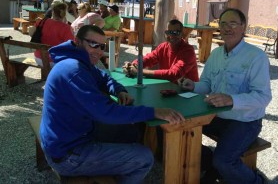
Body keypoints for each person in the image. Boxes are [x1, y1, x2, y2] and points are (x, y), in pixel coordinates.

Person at [40, 25, 185, 183]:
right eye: (93, 44)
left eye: (101, 46)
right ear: (78, 42)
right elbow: (106, 113)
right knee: (144, 158)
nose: (99, 51)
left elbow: (103, 76)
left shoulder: (77, 61)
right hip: (67, 154)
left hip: (67, 137)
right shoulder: (74, 71)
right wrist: (154, 112)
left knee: (131, 130)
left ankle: (116, 168)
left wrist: (118, 90)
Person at [178, 8, 272, 184]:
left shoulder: (256, 57)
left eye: (233, 23)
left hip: (245, 122)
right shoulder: (216, 54)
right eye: (223, 24)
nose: (228, 28)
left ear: (243, 27)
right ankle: (212, 165)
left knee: (224, 161)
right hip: (216, 115)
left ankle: (257, 181)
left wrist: (232, 100)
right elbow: (206, 84)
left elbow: (263, 97)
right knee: (181, 130)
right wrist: (192, 85)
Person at [123, 19, 199, 84]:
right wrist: (134, 65)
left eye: (176, 32)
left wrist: (140, 72)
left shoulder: (188, 51)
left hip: (189, 93)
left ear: (182, 34)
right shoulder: (163, 47)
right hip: (171, 89)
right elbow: (148, 58)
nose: (172, 35)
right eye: (169, 32)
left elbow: (174, 74)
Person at [32, 2, 74, 67]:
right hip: (55, 61)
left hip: (38, 58)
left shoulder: (42, 21)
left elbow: (31, 33)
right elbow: (71, 46)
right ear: (65, 13)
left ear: (52, 12)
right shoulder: (67, 28)